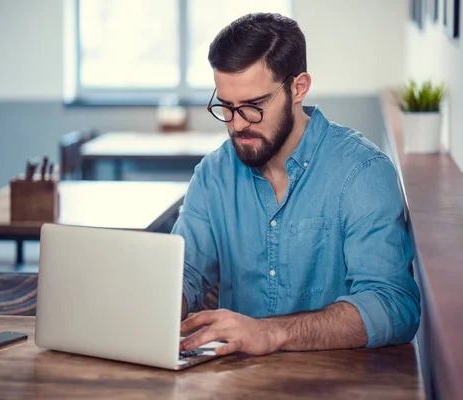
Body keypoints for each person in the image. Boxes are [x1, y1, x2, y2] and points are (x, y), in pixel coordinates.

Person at [173, 13, 420, 356]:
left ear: (298, 88)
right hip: (233, 380)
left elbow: (394, 305)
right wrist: (163, 302)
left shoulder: (362, 172)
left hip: (337, 383)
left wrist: (271, 333)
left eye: (255, 106)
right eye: (226, 107)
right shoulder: (213, 174)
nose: (238, 124)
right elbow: (185, 272)